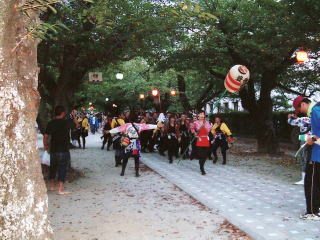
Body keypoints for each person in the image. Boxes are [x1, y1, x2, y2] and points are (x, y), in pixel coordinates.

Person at [292, 96, 320, 220]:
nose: (301, 112)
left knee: (311, 183)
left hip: (316, 154)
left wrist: (312, 140)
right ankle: (317, 210)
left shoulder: (315, 110)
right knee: (316, 183)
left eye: (299, 109)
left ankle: (313, 212)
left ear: (303, 104)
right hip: (317, 153)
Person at [43, 106, 78, 195]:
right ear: (63, 113)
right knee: (62, 168)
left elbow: (46, 136)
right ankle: (60, 189)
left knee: (53, 167)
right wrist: (74, 116)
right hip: (64, 149)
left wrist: (46, 145)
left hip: (53, 149)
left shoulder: (51, 123)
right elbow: (77, 125)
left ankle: (51, 186)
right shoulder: (66, 122)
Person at [288, 113, 311, 185]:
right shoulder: (315, 119)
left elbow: (291, 122)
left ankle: (304, 179)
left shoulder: (304, 119)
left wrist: (290, 117)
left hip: (305, 139)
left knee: (304, 158)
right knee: (312, 159)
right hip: (315, 140)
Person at [190, 111, 212, 175]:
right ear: (198, 116)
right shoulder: (195, 123)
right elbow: (192, 129)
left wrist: (204, 125)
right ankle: (202, 168)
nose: (202, 115)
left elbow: (208, 130)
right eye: (200, 114)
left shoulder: (207, 122)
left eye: (203, 114)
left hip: (206, 140)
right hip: (199, 140)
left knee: (205, 155)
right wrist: (194, 133)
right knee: (201, 155)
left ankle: (202, 166)